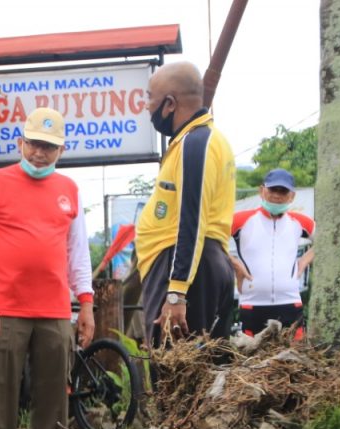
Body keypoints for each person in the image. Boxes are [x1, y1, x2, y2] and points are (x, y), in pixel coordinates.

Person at [0, 107, 95, 429]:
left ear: (61, 151)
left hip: (56, 310)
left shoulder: (69, 190)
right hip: (5, 309)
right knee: (1, 393)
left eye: (49, 147)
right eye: (34, 144)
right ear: (20, 143)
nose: (40, 153)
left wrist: (86, 304)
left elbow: (78, 252)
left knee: (53, 394)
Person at [135, 62, 236, 347]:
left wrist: (176, 292)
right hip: (196, 265)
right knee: (191, 378)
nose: (146, 106)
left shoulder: (197, 143)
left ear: (169, 104)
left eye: (149, 98)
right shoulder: (195, 141)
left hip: (187, 273)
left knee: (176, 377)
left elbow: (191, 220)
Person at [231, 168, 315, 339]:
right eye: (273, 189)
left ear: (292, 195)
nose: (277, 195)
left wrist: (304, 261)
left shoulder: (299, 222)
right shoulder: (241, 220)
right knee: (252, 362)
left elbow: (328, 239)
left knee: (295, 361)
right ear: (262, 190)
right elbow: (211, 238)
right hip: (252, 304)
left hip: (290, 302)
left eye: (283, 191)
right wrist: (233, 263)